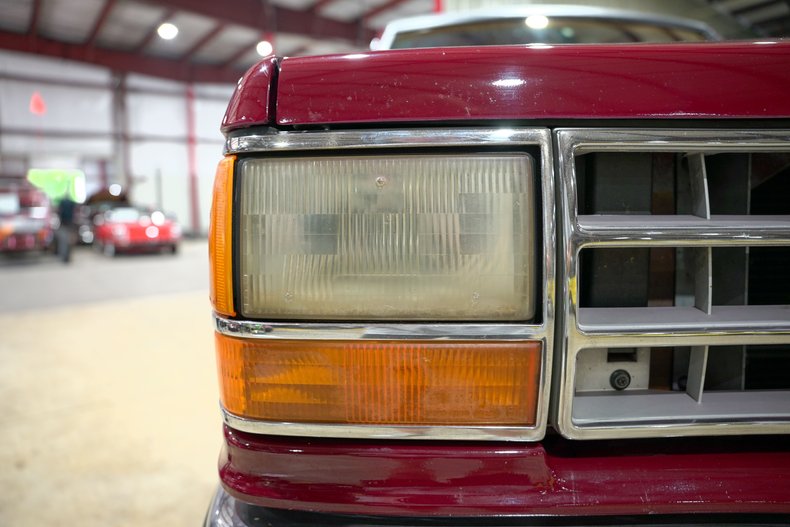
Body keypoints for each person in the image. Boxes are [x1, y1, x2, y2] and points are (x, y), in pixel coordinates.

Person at [57, 194, 76, 263]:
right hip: (69, 224)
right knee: (68, 241)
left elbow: (59, 212)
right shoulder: (71, 203)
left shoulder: (62, 203)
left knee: (64, 241)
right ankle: (67, 256)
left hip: (64, 224)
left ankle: (65, 256)